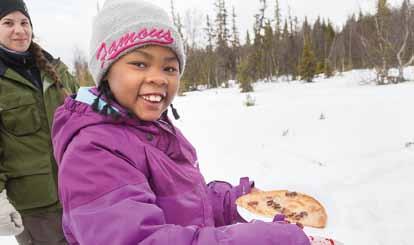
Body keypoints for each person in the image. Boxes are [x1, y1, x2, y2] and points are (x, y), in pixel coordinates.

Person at [51, 0, 310, 244]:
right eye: (140, 63)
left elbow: (179, 201)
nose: (159, 78)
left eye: (169, 68)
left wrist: (230, 202)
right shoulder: (91, 152)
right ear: (106, 72)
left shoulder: (154, 128)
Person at [0, 0, 79, 244]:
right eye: (8, 23)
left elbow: (88, 119)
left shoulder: (56, 69)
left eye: (24, 22)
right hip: (36, 207)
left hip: (79, 189)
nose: (19, 30)